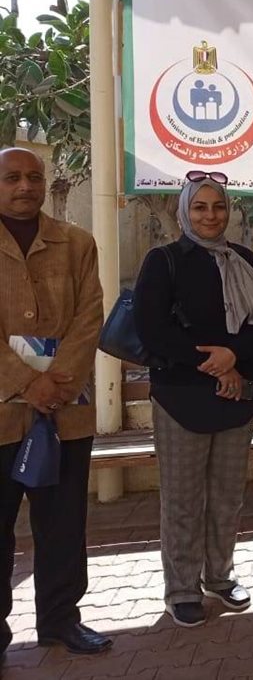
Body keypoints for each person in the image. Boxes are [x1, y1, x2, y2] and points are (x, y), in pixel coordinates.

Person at [133, 172, 253, 628]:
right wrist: (217, 364)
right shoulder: (164, 261)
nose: (210, 216)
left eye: (218, 206)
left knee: (227, 496)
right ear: (184, 213)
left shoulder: (242, 258)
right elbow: (153, 330)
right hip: (182, 399)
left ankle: (220, 576)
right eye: (199, 207)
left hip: (235, 398)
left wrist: (234, 355)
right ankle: (181, 589)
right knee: (183, 499)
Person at [0, 148, 110, 658]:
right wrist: (27, 383)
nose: (25, 186)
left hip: (65, 412)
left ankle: (61, 620)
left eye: (34, 177)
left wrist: (54, 385)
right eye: (12, 178)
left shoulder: (77, 243)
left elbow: (90, 317)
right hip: (4, 413)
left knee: (63, 524)